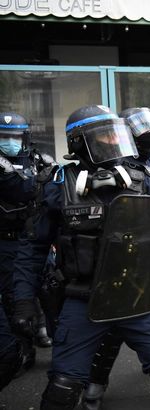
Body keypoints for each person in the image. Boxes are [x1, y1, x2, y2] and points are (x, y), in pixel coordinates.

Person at [10, 105, 150, 409]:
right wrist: (23, 300)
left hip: (134, 296)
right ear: (79, 142)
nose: (113, 142)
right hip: (83, 298)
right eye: (105, 136)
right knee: (64, 386)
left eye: (115, 134)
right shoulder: (58, 185)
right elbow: (33, 248)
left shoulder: (144, 180)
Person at [83, 107, 150, 410]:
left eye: (149, 128)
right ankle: (97, 379)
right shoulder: (119, 165)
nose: (147, 135)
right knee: (116, 319)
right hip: (127, 251)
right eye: (139, 130)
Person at [0, 111, 55, 380]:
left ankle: (61, 351)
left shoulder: (38, 159)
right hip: (6, 241)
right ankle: (23, 352)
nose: (10, 140)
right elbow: (19, 189)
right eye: (3, 136)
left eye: (14, 135)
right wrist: (41, 180)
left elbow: (55, 189)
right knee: (15, 298)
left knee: (52, 291)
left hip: (37, 238)